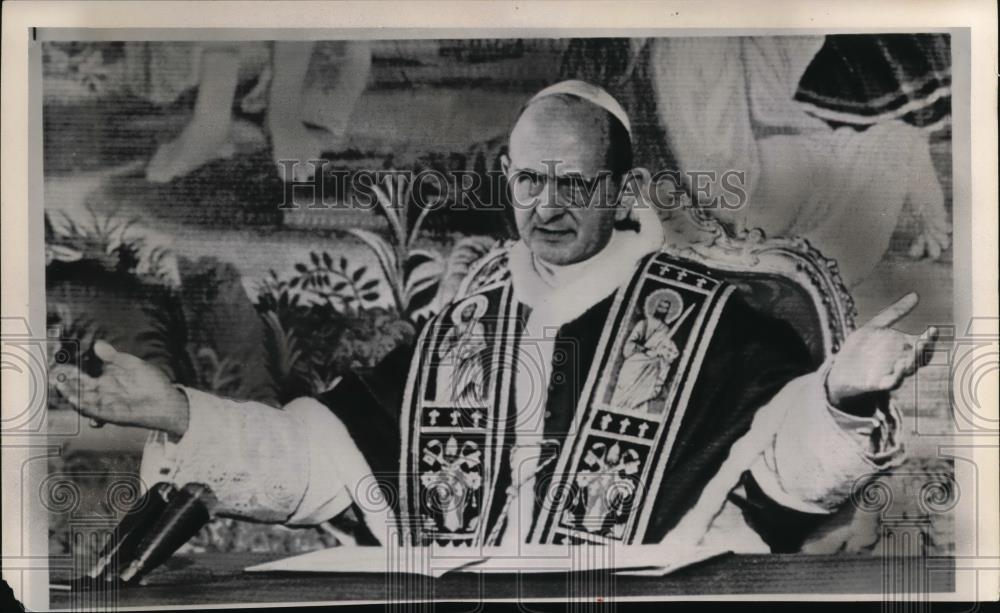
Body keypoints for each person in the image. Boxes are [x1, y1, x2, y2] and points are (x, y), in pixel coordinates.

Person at [53, 80, 936, 553]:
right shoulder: (464, 319)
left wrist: (844, 397)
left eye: (572, 183)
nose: (544, 205)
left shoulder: (711, 321)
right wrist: (179, 410)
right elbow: (323, 452)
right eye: (526, 180)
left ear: (621, 190)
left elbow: (787, 464)